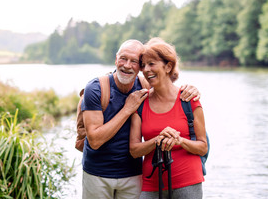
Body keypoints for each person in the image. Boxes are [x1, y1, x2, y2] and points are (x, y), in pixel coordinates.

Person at [81, 39, 201, 199]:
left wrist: (191, 89)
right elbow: (94, 141)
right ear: (116, 59)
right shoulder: (96, 88)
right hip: (97, 174)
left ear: (139, 67)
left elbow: (167, 85)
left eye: (135, 62)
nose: (127, 65)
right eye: (123, 58)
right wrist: (127, 109)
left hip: (133, 175)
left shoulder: (145, 86)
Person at [129, 38, 208, 199]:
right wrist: (158, 140)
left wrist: (180, 141)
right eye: (143, 65)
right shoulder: (141, 103)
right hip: (151, 183)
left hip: (188, 182)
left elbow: (202, 147)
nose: (146, 70)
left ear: (168, 66)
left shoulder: (189, 100)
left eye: (152, 64)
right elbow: (134, 150)